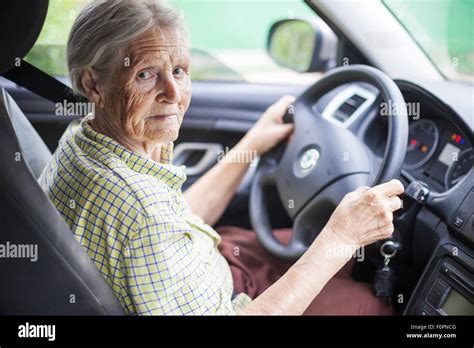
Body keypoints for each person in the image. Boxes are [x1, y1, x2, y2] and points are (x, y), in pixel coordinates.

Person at [39, 0, 404, 315]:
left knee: (320, 250)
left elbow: (172, 221)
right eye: (145, 75)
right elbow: (149, 222)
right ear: (92, 85)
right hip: (234, 299)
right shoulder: (140, 212)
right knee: (370, 301)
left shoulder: (87, 138)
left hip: (213, 260)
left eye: (179, 70)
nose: (173, 92)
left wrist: (251, 145)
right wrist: (341, 234)